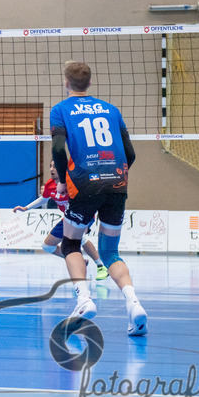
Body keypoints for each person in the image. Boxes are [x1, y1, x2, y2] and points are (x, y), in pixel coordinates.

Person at [51, 61, 147, 336]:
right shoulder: (111, 109)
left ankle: (84, 299)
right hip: (117, 182)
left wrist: (60, 180)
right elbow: (130, 154)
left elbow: (58, 146)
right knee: (110, 252)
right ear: (90, 84)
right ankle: (134, 303)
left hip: (83, 183)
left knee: (70, 243)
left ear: (66, 82)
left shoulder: (61, 110)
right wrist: (115, 175)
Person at [13, 161, 108, 280]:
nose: (52, 169)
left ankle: (101, 266)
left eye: (55, 166)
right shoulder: (49, 184)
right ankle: (79, 260)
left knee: (79, 238)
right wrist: (25, 208)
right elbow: (44, 198)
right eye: (50, 166)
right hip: (67, 219)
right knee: (47, 246)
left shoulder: (73, 182)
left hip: (84, 214)